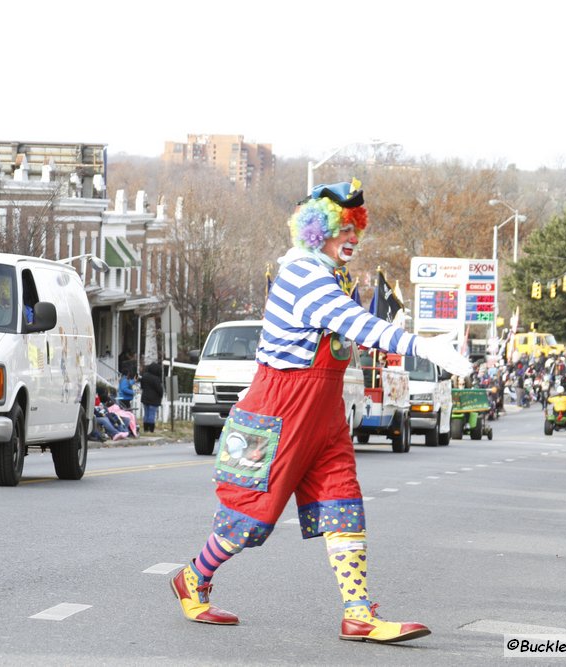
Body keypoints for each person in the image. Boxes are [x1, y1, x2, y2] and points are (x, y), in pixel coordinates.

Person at [168, 180, 471, 644]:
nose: (352, 237)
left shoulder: (330, 275)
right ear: (316, 230)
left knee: (343, 505)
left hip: (323, 415)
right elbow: (356, 325)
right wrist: (420, 345)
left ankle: (357, 613)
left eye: (357, 227)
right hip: (279, 411)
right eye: (342, 227)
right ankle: (193, 578)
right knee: (251, 516)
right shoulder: (303, 276)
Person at [139, 362, 163, 433]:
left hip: (145, 397)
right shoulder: (156, 379)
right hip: (154, 399)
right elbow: (159, 389)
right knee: (152, 414)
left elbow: (142, 386)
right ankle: (151, 429)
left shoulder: (144, 376)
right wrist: (161, 395)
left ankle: (145, 429)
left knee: (146, 414)